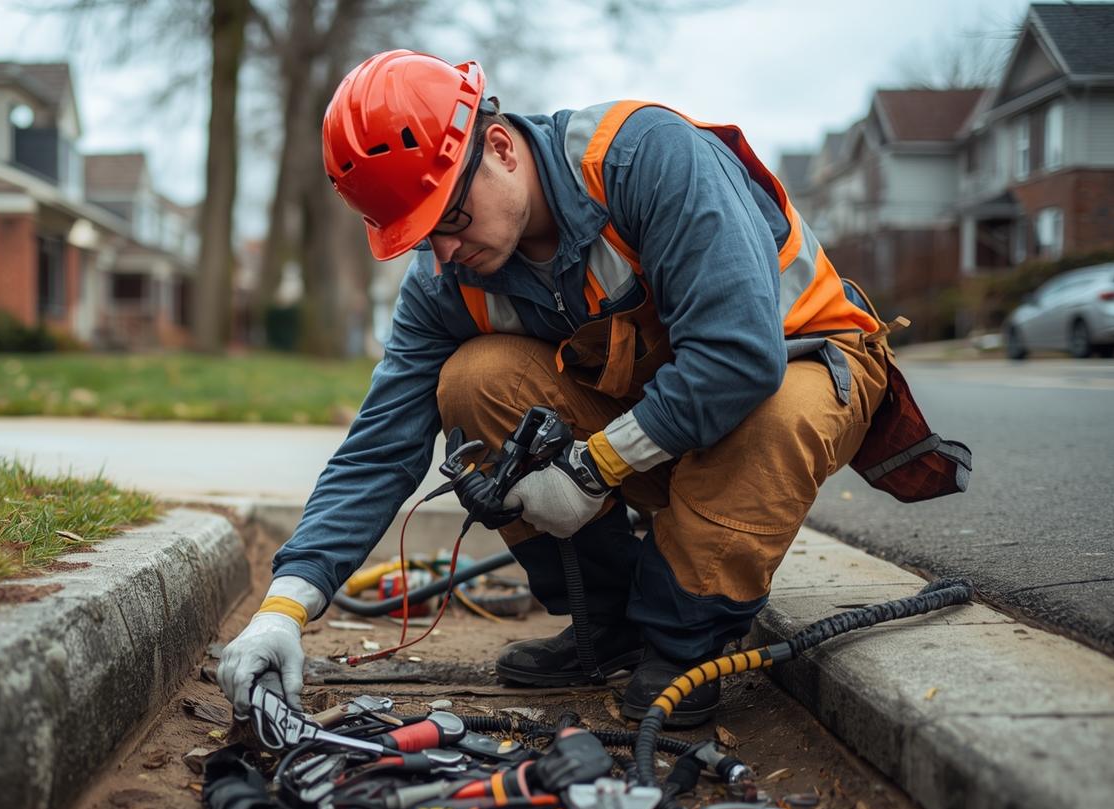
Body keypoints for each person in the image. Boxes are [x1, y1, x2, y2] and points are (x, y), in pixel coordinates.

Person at [219, 49, 899, 728]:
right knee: (473, 382)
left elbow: (739, 358)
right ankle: (608, 623)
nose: (444, 255)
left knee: (774, 414)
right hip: (665, 417)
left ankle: (685, 639)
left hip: (802, 363)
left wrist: (593, 466)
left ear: (500, 148)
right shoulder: (445, 281)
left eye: (448, 219)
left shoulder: (644, 160)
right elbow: (379, 448)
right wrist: (283, 609)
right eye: (421, 237)